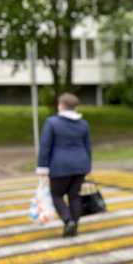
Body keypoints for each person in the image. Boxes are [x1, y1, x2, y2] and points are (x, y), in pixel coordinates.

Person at [36, 92, 92, 237]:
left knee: (56, 195)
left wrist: (42, 167)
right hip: (80, 165)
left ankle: (68, 221)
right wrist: (87, 167)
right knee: (74, 196)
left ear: (61, 105)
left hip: (59, 167)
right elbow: (88, 147)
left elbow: (45, 146)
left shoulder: (52, 122)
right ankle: (75, 226)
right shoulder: (83, 124)